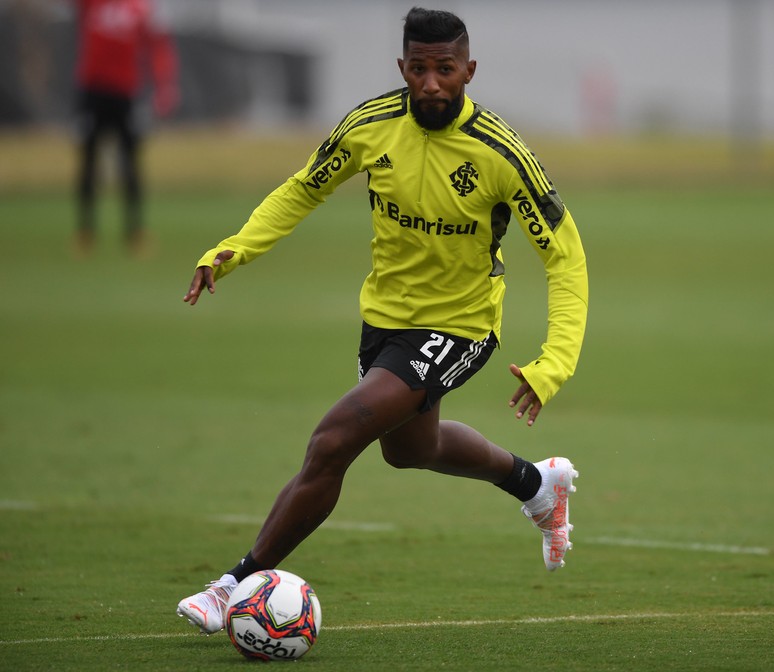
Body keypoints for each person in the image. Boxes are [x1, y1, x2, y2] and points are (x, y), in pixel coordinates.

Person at [176, 7, 588, 636]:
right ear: (402, 67)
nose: (431, 83)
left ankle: (232, 586)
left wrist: (553, 363)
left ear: (469, 71)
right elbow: (303, 188)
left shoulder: (501, 154)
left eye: (445, 69)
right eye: (418, 68)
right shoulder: (370, 126)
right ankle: (537, 483)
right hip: (385, 320)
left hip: (461, 325)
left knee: (333, 441)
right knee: (411, 449)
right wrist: (232, 250)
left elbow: (565, 256)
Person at [72, 0, 178, 255]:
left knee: (130, 162)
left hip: (126, 93)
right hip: (92, 91)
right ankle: (86, 231)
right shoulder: (91, 3)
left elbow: (158, 47)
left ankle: (134, 231)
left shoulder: (141, 8)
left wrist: (164, 85)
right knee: (88, 160)